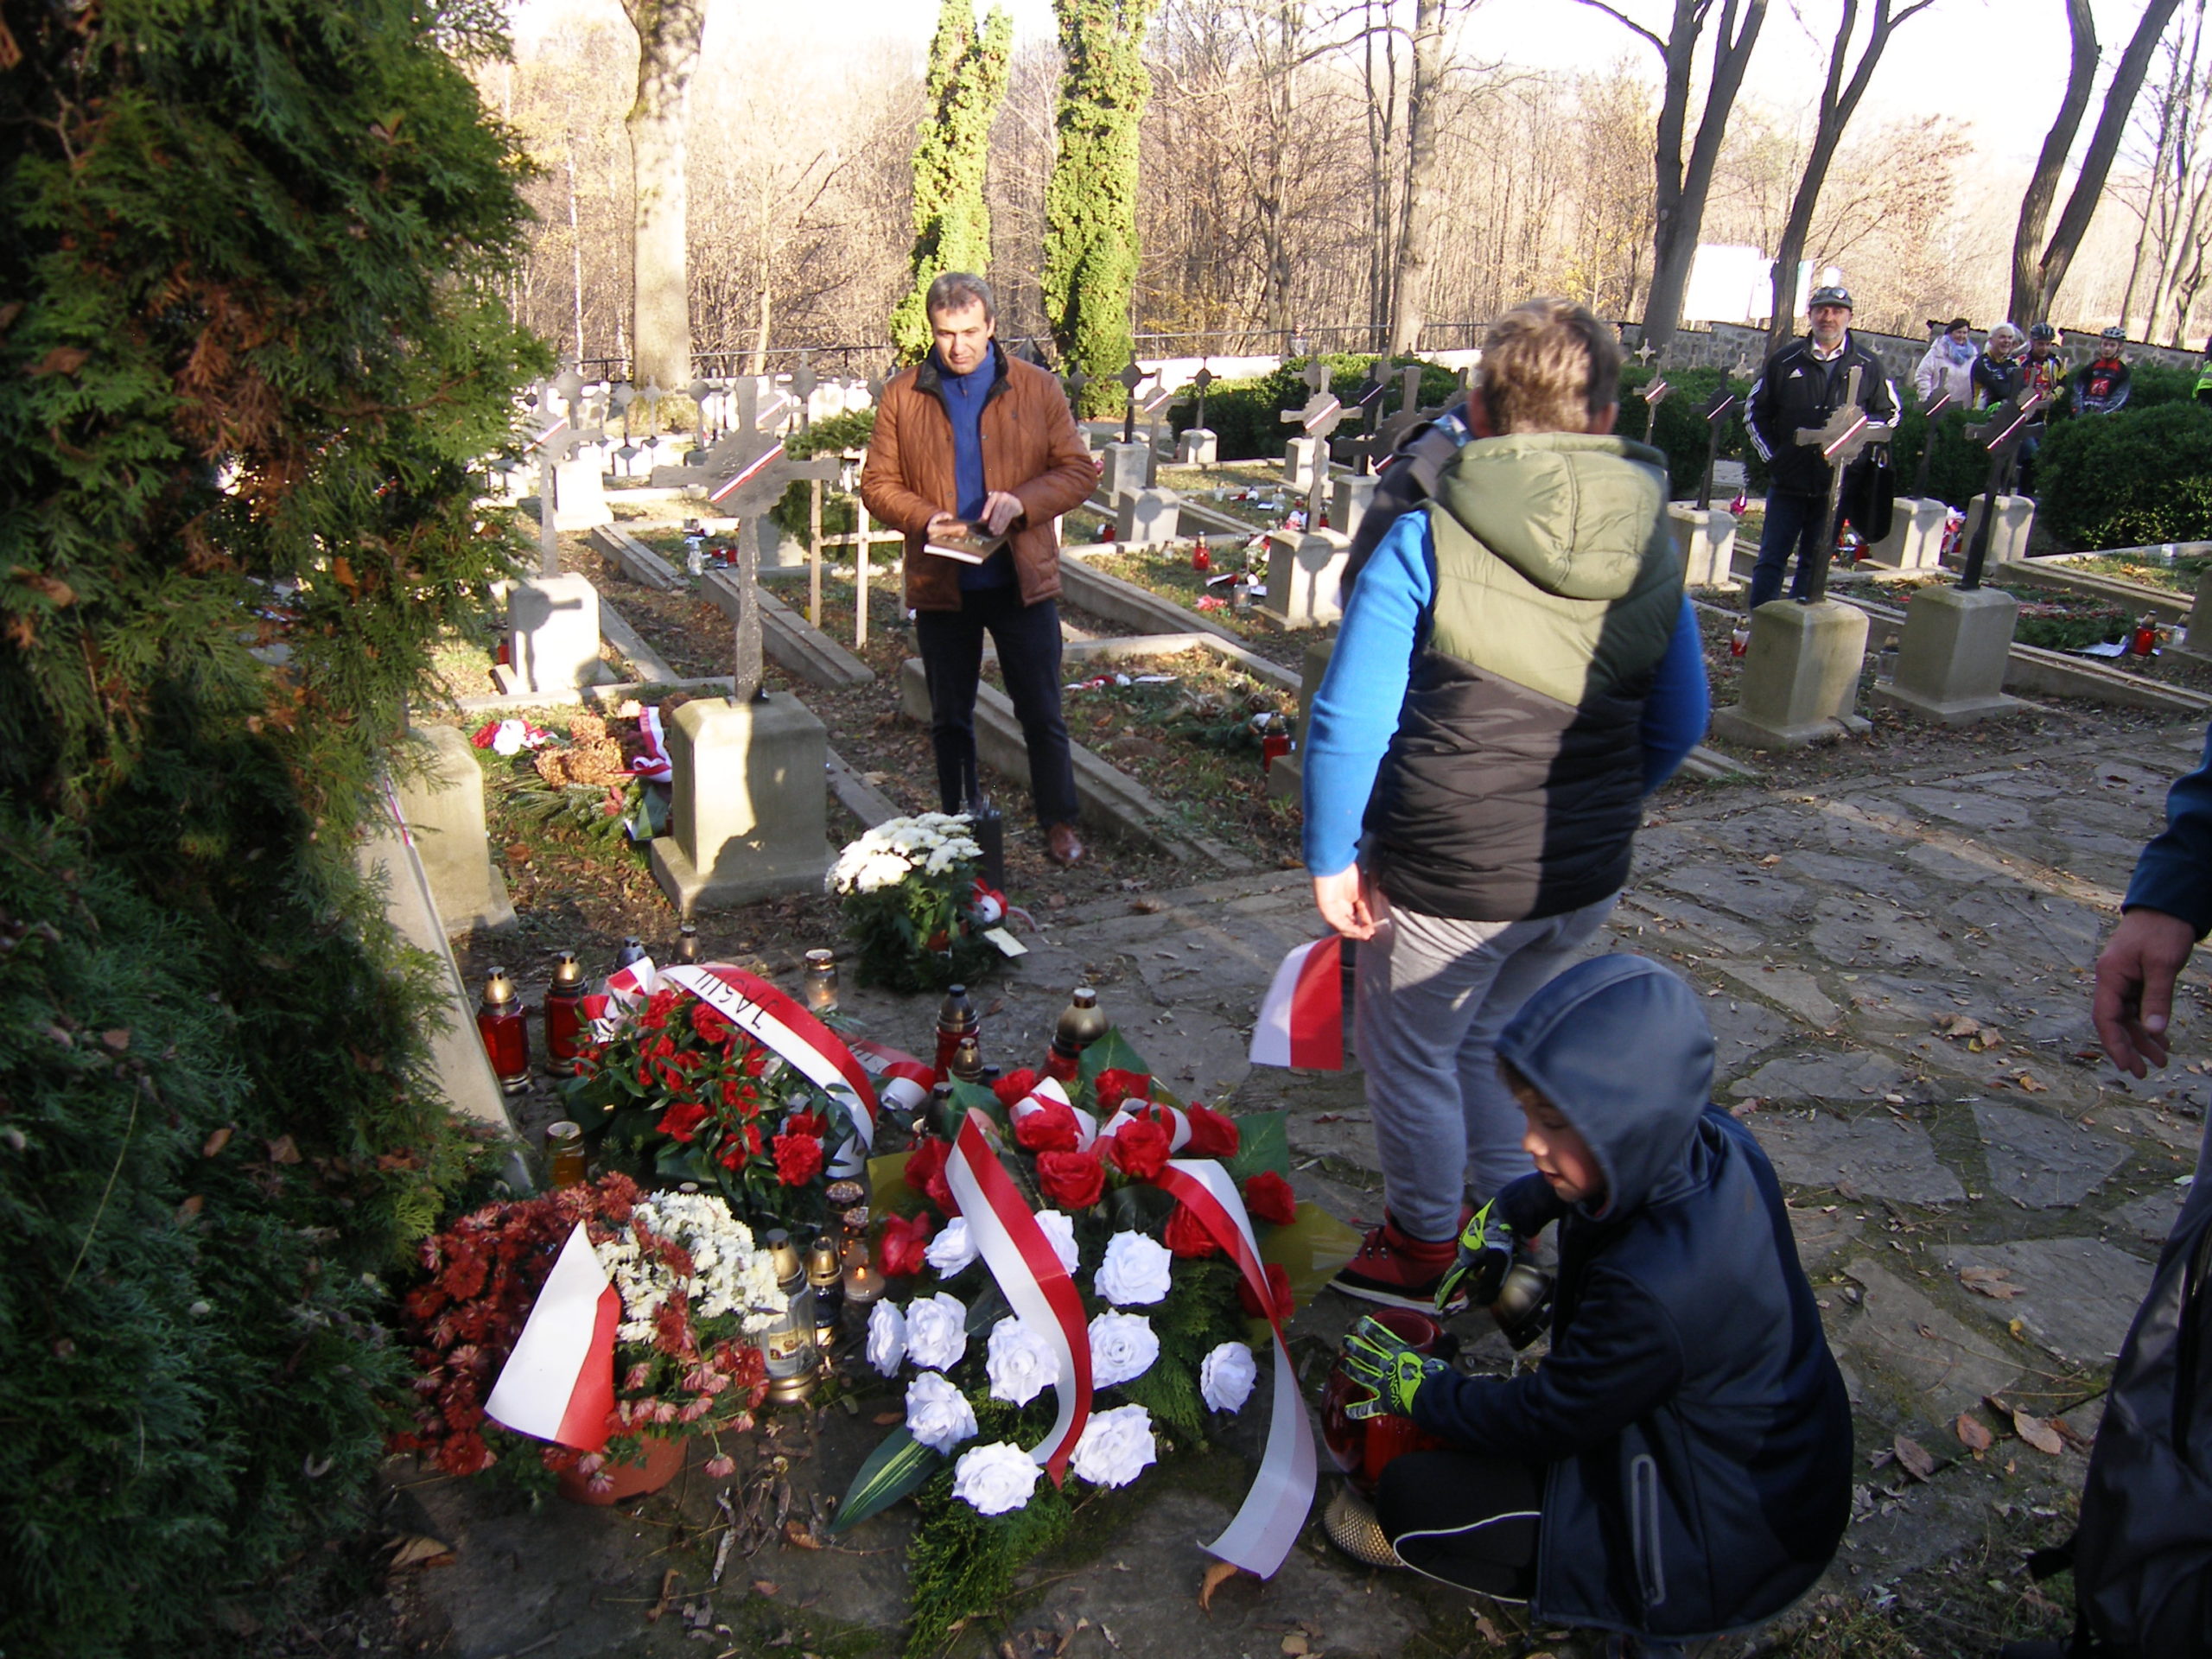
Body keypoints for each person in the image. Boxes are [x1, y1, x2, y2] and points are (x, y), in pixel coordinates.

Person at [1301, 296, 1709, 1308]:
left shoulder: (1427, 538)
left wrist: (1331, 856)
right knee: (1489, 1043)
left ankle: (1421, 1247)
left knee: (1411, 1059)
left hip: (1447, 876)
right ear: (1606, 417)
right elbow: (1681, 718)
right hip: (1577, 878)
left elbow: (1350, 717)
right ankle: (1504, 1229)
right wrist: (1602, 804)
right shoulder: (1652, 547)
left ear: (1477, 413)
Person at [1339, 956, 1852, 1655]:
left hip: (1724, 1541)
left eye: (1552, 1123)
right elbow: (1598, 1173)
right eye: (1528, 1114)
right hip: (1786, 1469)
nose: (1529, 1141)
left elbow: (1548, 1417)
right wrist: (1514, 1210)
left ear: (1625, 1126)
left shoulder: (1654, 1287)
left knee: (1414, 1499)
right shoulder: (1717, 1141)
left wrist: (1426, 1393)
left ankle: (1641, 1631)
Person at [859, 272, 1097, 866]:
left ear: (991, 326)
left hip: (1020, 578)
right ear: (932, 331)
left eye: (969, 332)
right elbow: (877, 484)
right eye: (946, 333)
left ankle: (1059, 821)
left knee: (1041, 708)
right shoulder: (903, 395)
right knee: (950, 715)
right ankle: (958, 824)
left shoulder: (1037, 388)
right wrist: (925, 517)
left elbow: (1076, 471)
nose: (958, 346)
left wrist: (1022, 503)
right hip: (944, 582)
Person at [1742, 284, 1899, 611]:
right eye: (1821, 310)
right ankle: (1762, 621)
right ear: (1811, 315)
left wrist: (1853, 442)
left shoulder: (1868, 364)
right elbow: (1756, 411)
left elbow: (1890, 415)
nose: (1829, 317)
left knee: (1814, 561)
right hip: (1789, 481)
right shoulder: (1785, 361)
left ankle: (1800, 621)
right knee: (1771, 558)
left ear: (1849, 317)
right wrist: (1776, 459)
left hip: (1838, 484)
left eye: (1837, 311)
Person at [1914, 316, 1977, 406]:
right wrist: (1927, 398)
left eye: (1965, 333)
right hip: (1936, 404)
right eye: (1958, 332)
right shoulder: (1937, 351)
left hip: (1961, 406)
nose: (1962, 336)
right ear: (1950, 333)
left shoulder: (1972, 356)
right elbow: (1922, 375)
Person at [2070, 326, 2133, 416]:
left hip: (2105, 419)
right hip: (2084, 415)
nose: (2107, 349)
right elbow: (2078, 391)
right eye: (2105, 344)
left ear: (2120, 347)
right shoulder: (2090, 368)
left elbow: (2119, 399)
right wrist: (2079, 413)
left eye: (2112, 345)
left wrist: (2100, 416)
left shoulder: (2123, 372)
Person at [1972, 321, 2026, 408]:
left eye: (2010, 338)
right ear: (1991, 340)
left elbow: (2023, 390)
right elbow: (2001, 391)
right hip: (1983, 413)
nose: (2007, 341)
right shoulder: (1982, 363)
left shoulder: (2012, 363)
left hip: (2008, 412)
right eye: (2002, 337)